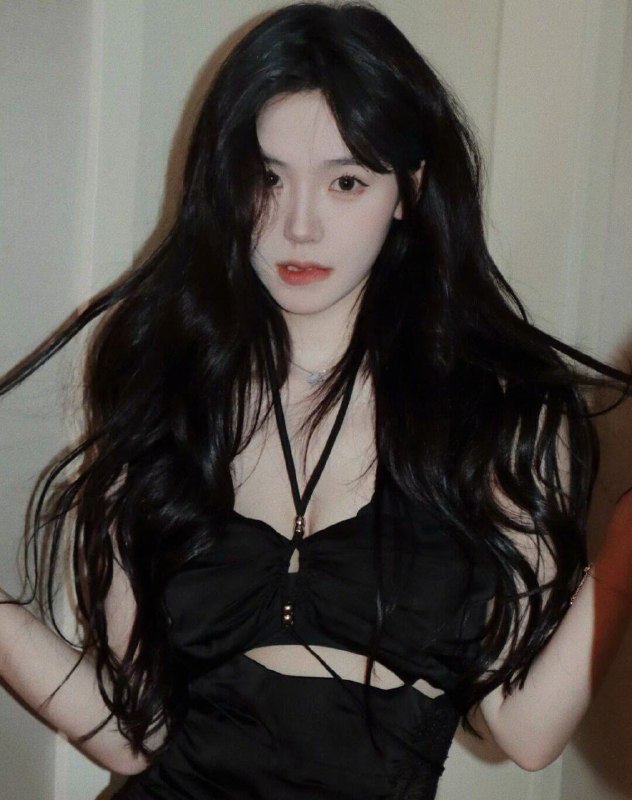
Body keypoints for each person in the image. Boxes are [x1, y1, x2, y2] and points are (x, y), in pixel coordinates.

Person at [1, 3, 631, 798]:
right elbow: (137, 732)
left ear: (408, 190)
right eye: (267, 179)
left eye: (346, 181)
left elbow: (527, 731)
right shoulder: (174, 393)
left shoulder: (500, 415)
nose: (299, 226)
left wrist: (625, 545)